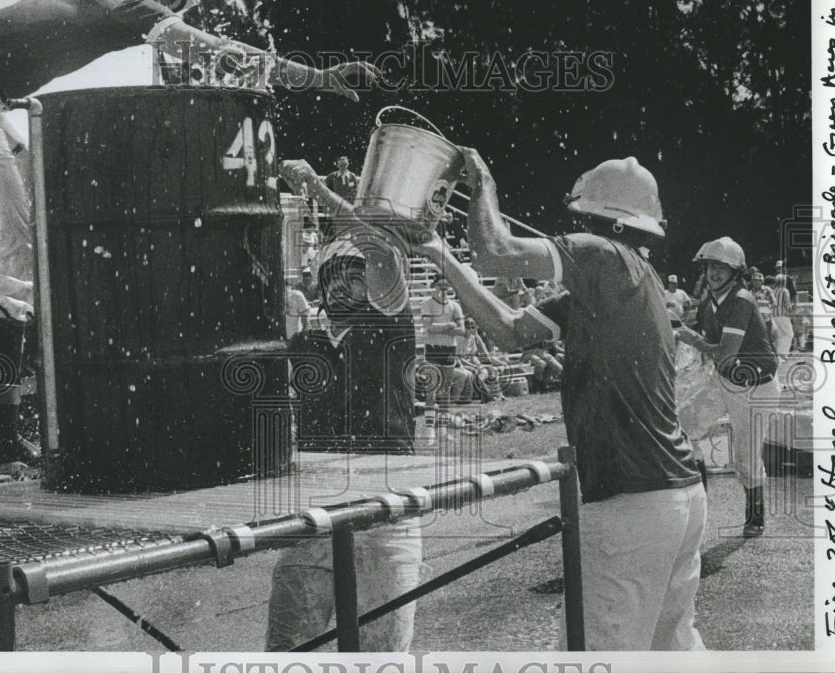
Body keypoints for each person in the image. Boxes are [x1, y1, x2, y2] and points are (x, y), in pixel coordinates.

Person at [0, 0, 378, 323]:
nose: (166, 12)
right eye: (171, 2)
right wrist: (316, 77)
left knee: (38, 229)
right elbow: (217, 52)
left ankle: (24, 380)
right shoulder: (123, 4)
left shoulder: (93, 1)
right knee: (11, 275)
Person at [407, 153, 705, 651]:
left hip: (631, 496)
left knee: (595, 653)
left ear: (592, 217)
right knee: (671, 649)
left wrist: (483, 183)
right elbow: (507, 331)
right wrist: (441, 254)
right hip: (678, 493)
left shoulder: (600, 254)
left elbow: (495, 253)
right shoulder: (634, 277)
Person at [268, 167, 421, 653]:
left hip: (387, 508)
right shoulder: (303, 343)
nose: (342, 285)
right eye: (332, 275)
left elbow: (376, 244)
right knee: (290, 652)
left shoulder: (394, 330)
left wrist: (316, 190)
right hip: (312, 506)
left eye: (356, 275)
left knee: (381, 656)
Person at [675, 236, 780, 538]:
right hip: (724, 379)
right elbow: (713, 353)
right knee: (683, 427)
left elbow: (723, 352)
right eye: (711, 266)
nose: (715, 273)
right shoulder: (708, 302)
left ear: (736, 272)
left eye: (722, 268)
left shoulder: (741, 299)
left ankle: (755, 516)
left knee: (747, 458)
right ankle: (698, 505)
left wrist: (691, 339)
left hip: (756, 388)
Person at [419, 277, 466, 441]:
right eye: (440, 285)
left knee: (445, 390)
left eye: (446, 285)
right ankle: (429, 431)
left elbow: (462, 330)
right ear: (433, 286)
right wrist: (449, 326)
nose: (443, 289)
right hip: (433, 349)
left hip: (449, 349)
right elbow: (429, 327)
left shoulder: (455, 306)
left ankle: (443, 431)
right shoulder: (427, 303)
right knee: (431, 390)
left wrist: (447, 328)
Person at [770, 273, 794, 360]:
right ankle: (783, 353)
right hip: (783, 316)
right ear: (783, 282)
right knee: (789, 334)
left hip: (774, 316)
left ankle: (778, 353)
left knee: (779, 335)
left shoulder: (772, 291)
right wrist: (792, 308)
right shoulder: (784, 290)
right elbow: (788, 306)